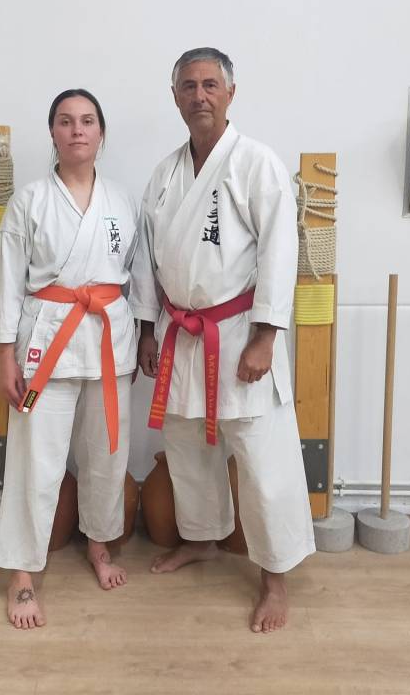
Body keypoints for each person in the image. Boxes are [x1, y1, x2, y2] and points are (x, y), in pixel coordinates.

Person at [130, 48, 315, 633]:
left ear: (231, 92)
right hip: (179, 334)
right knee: (187, 445)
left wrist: (266, 336)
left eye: (210, 84)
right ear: (175, 97)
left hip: (238, 334)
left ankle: (275, 577)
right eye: (188, 86)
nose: (200, 95)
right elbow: (146, 259)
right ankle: (203, 539)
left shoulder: (256, 163)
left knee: (261, 458)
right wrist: (145, 328)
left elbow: (279, 252)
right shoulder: (165, 174)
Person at [0, 89, 138, 629]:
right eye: (66, 121)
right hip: (46, 343)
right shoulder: (29, 201)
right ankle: (22, 573)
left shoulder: (122, 200)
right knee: (35, 461)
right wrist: (4, 356)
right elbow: (7, 283)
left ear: (101, 133)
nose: (77, 130)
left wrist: (144, 333)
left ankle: (99, 544)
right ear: (52, 132)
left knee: (107, 455)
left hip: (109, 342)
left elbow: (139, 276)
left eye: (88, 121)